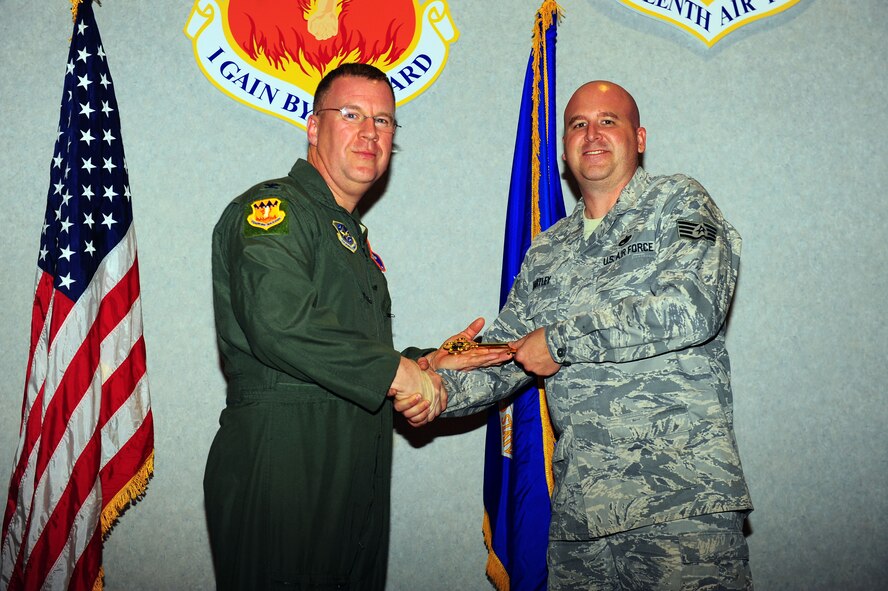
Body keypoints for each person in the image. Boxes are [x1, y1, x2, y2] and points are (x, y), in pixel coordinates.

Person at [436, 81, 754, 590]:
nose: (592, 134)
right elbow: (507, 352)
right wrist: (429, 384)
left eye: (609, 120)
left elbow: (693, 307)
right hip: (581, 519)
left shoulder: (677, 201)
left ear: (640, 137)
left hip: (679, 507)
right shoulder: (548, 248)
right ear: (564, 148)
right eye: (578, 124)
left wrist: (559, 341)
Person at [204, 62, 508, 590]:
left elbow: (350, 348)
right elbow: (280, 322)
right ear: (313, 126)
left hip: (353, 466)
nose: (371, 132)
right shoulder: (274, 210)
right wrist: (398, 374)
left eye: (385, 121)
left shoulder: (346, 234)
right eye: (351, 114)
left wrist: (427, 361)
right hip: (286, 463)